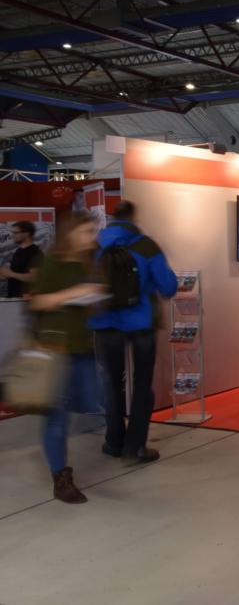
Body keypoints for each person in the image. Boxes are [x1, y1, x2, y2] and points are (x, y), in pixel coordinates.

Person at [91, 201, 178, 464]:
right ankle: (135, 447)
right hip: (141, 323)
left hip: (105, 322)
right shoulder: (146, 245)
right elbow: (168, 286)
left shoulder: (95, 246)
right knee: (142, 384)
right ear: (133, 217)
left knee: (112, 382)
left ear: (111, 218)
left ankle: (114, 442)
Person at [29, 212, 105, 504]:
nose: (88, 238)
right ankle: (61, 478)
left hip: (82, 349)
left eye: (91, 233)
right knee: (56, 418)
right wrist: (75, 293)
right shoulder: (52, 263)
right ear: (70, 234)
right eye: (84, 233)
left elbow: (88, 306)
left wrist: (94, 299)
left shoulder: (88, 263)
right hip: (54, 350)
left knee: (92, 401)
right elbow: (39, 301)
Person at [2, 220, 44, 298]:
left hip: (25, 299)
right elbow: (15, 274)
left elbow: (34, 277)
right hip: (13, 298)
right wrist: (5, 274)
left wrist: (11, 274)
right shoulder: (18, 251)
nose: (12, 236)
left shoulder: (34, 252)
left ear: (27, 233)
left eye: (16, 233)